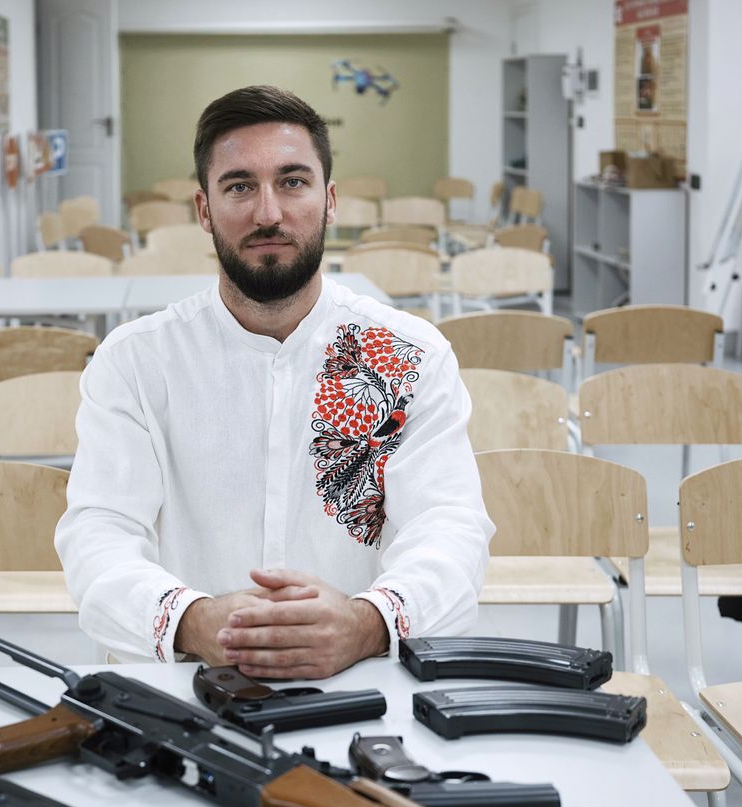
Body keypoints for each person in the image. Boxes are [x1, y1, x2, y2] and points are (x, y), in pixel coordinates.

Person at [55, 85, 494, 679]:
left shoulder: (408, 354)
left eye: (292, 182)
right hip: (184, 683)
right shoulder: (136, 362)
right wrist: (191, 620)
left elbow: (450, 527)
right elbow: (99, 531)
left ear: (329, 200)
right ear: (204, 209)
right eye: (240, 186)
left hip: (367, 679)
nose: (268, 213)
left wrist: (367, 624)